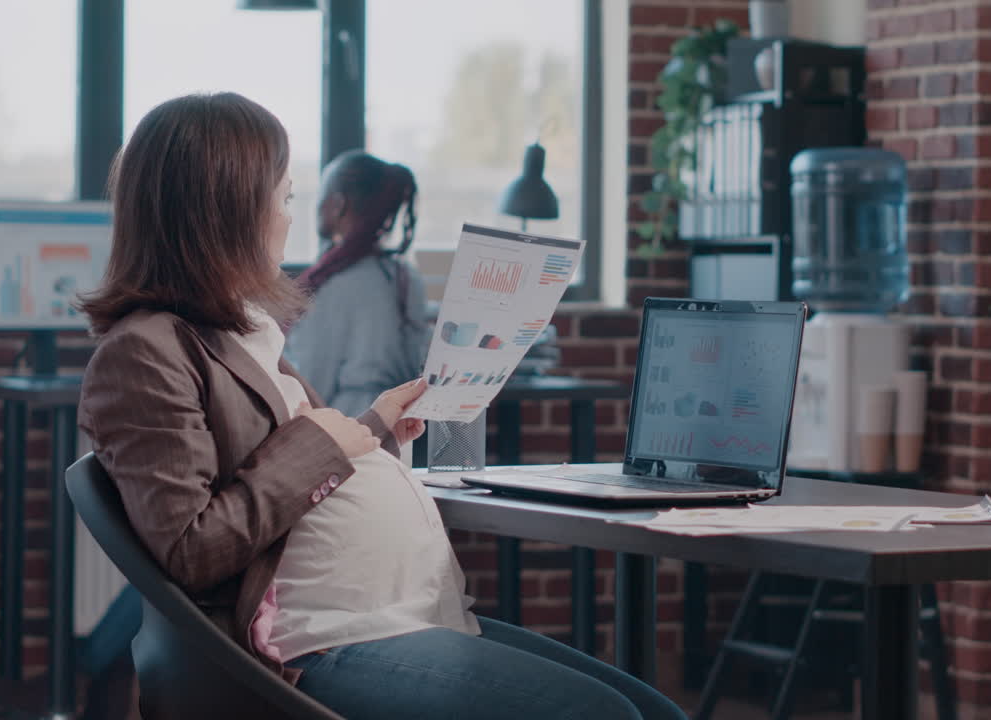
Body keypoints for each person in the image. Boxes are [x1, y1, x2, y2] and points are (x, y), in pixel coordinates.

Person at [77, 92, 687, 720]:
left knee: (656, 714)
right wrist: (326, 443)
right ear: (226, 210)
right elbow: (191, 550)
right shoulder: (144, 352)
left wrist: (374, 429)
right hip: (314, 643)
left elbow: (291, 458)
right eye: (284, 199)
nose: (290, 220)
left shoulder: (240, 332)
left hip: (393, 618)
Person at [284, 150, 429, 417]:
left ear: (339, 204)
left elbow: (312, 384)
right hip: (402, 420)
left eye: (322, 196)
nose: (318, 206)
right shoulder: (405, 275)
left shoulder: (335, 283)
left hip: (348, 424)